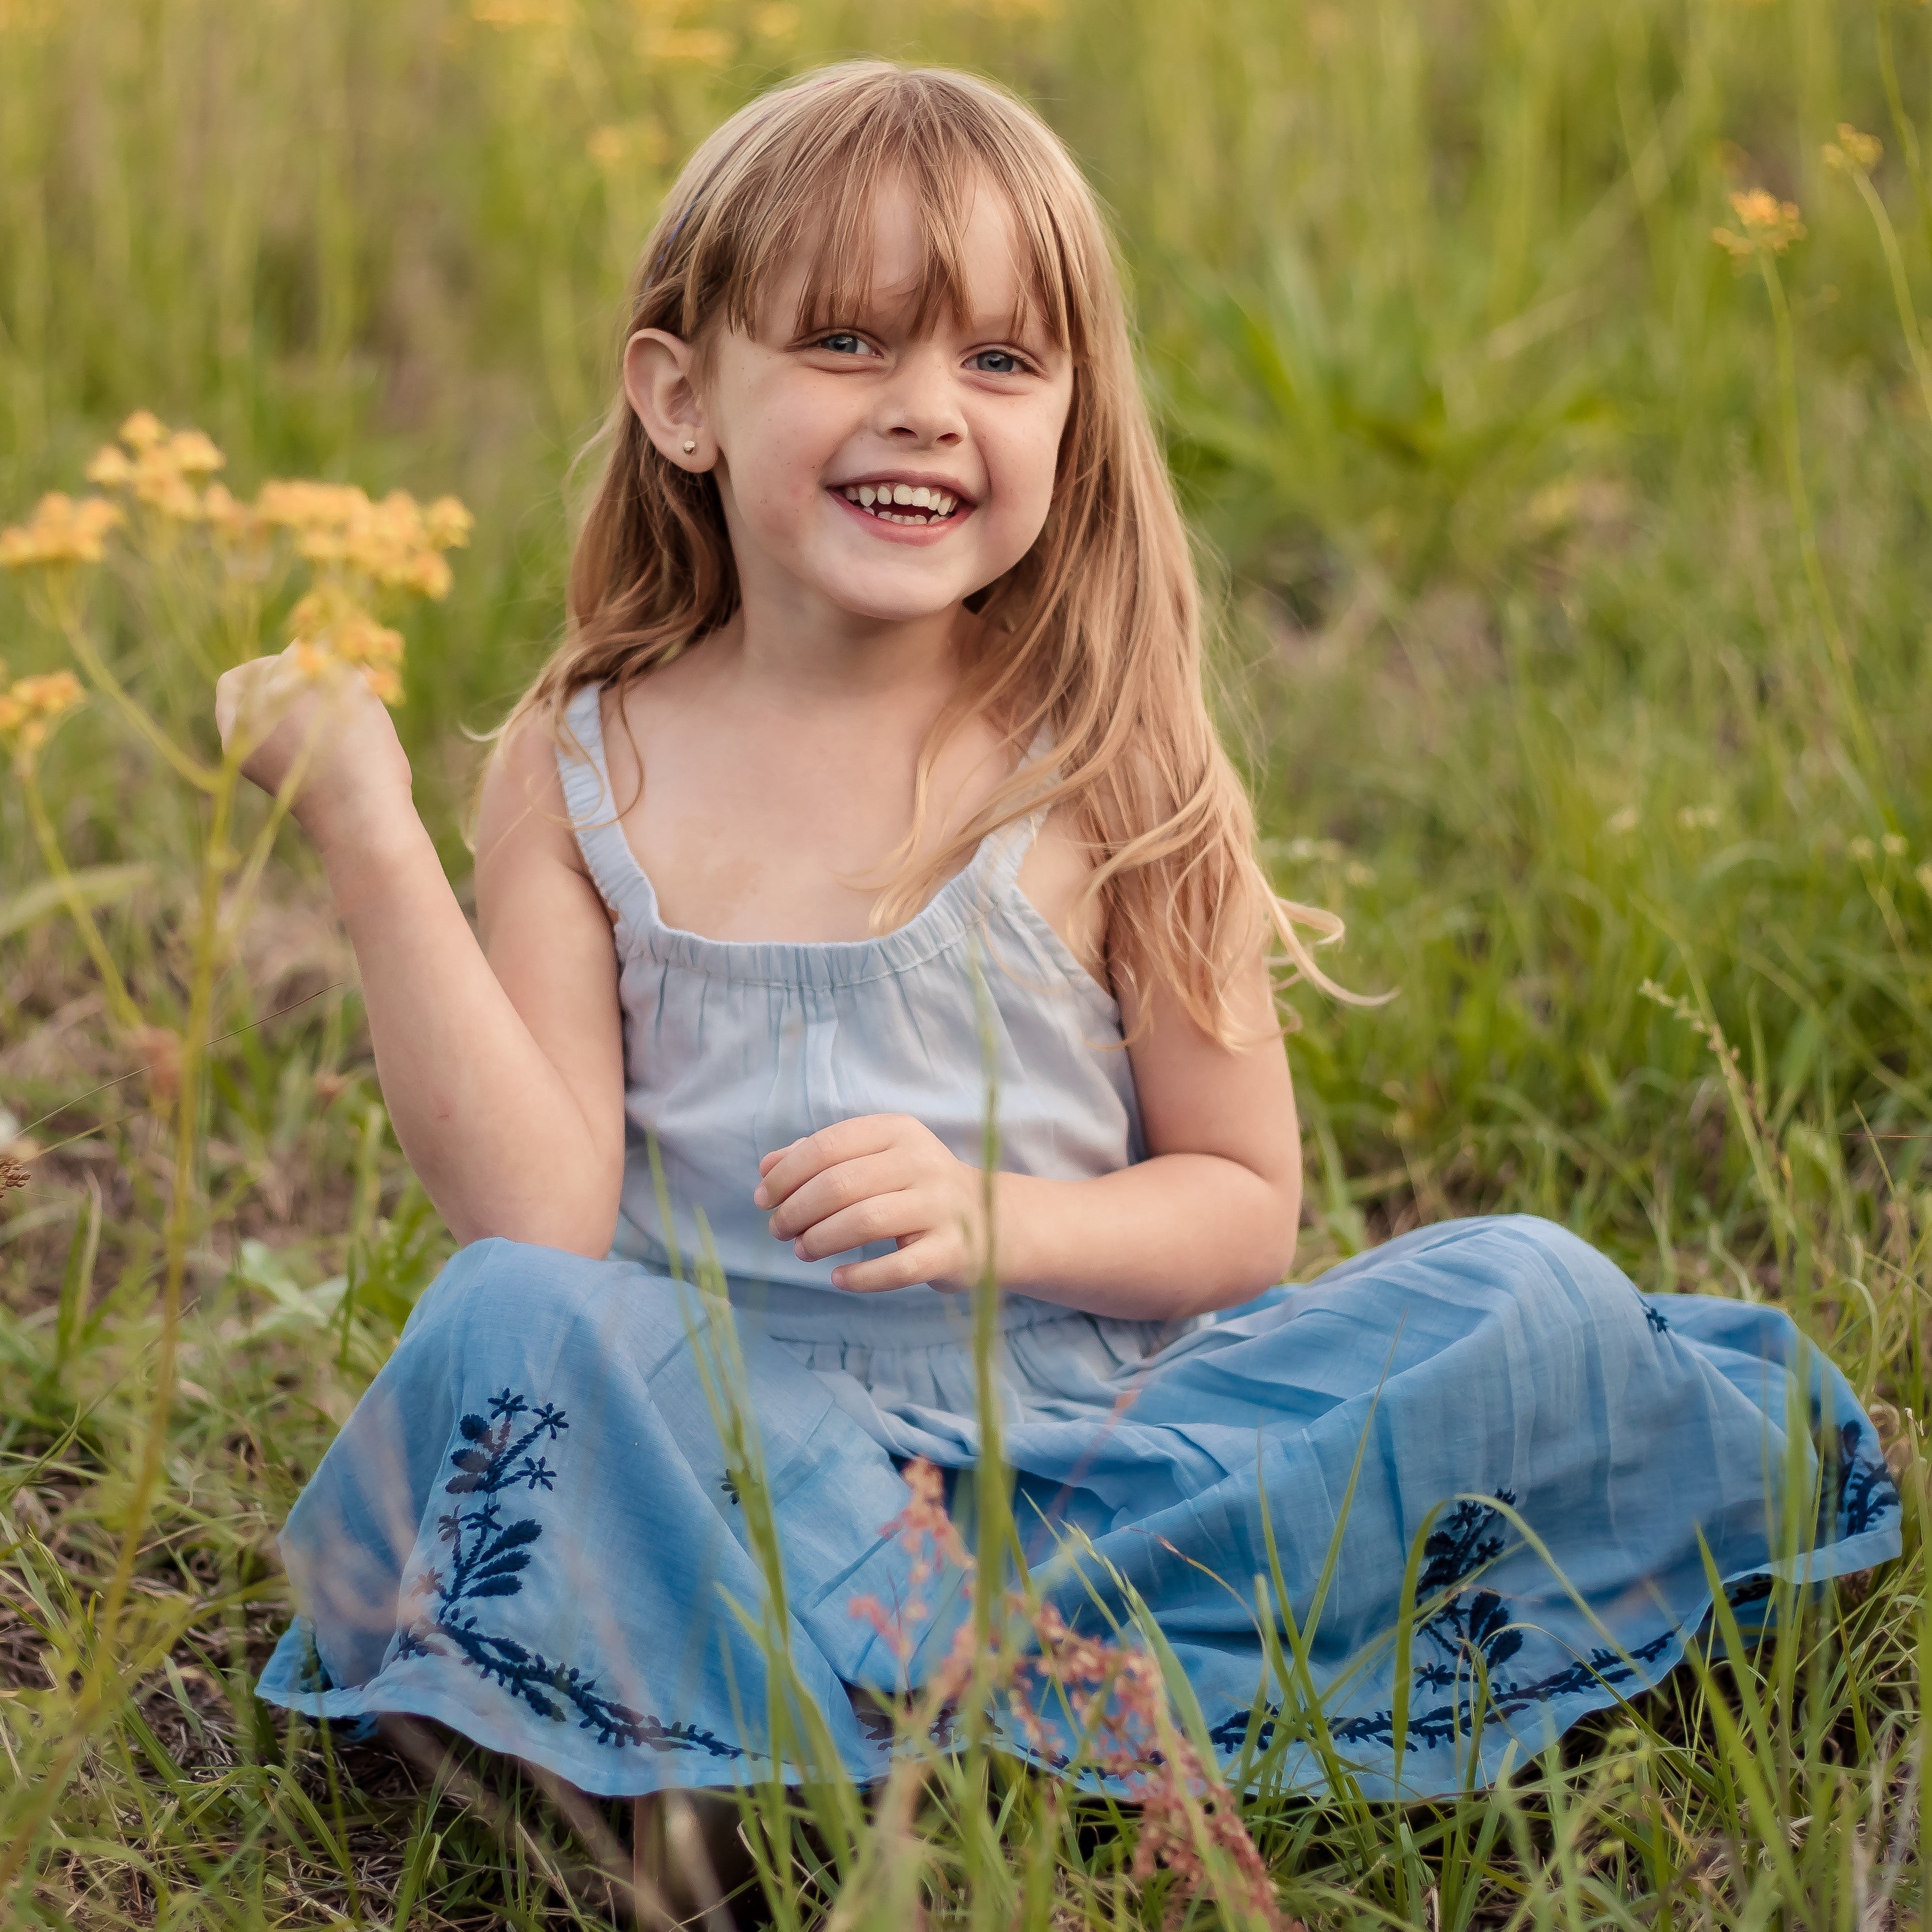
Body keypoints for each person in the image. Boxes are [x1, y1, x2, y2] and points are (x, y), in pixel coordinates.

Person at [233, 62, 1897, 1823]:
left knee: (1519, 1288)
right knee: (505, 1323)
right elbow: (543, 1221)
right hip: (714, 1459)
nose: (928, 408)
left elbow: (1242, 1205)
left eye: (1001, 361)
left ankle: (849, 1696)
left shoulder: (1104, 758)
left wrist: (990, 1221)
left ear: (1070, 413)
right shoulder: (585, 758)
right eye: (849, 344)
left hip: (1084, 1460)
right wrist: (365, 830)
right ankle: (805, 1712)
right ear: (680, 397)